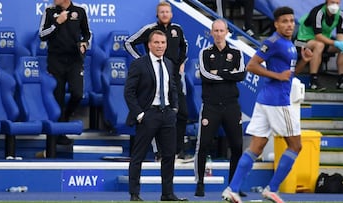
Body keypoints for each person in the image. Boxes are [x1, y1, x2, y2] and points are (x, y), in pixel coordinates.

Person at [222, 7, 313, 203]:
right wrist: (276, 76)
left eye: (291, 21)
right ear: (276, 24)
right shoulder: (273, 42)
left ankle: (232, 189)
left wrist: (304, 62)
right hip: (278, 101)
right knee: (296, 146)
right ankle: (271, 189)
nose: (289, 24)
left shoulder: (288, 44)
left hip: (266, 100)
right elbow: (252, 65)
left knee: (257, 146)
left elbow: (288, 75)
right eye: (285, 21)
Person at [124, 30, 187, 202]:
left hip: (167, 114)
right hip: (148, 114)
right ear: (149, 45)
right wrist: (140, 115)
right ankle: (134, 194)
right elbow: (129, 92)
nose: (160, 46)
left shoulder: (168, 63)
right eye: (157, 43)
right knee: (138, 155)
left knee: (169, 155)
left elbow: (172, 87)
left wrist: (174, 108)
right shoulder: (139, 64)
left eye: (163, 43)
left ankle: (167, 193)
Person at [125, 2, 189, 162]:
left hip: (172, 76)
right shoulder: (149, 30)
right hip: (152, 78)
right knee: (153, 115)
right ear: (157, 14)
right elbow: (128, 43)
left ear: (171, 14)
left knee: (182, 113)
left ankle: (177, 151)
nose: (165, 14)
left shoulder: (178, 30)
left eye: (167, 11)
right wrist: (143, 62)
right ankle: (159, 152)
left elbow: (185, 46)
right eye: (162, 12)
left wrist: (180, 62)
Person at [194, 19, 245, 197]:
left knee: (238, 146)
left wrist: (221, 73)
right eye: (215, 31)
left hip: (231, 105)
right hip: (211, 106)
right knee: (204, 145)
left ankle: (234, 186)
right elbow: (205, 75)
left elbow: (241, 75)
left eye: (221, 30)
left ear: (226, 32)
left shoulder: (237, 52)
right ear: (211, 33)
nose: (218, 34)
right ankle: (200, 183)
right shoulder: (205, 53)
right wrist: (228, 75)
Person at [39, 0, 90, 145]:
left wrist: (84, 44)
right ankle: (59, 133)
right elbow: (42, 34)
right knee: (58, 97)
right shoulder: (49, 11)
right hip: (56, 60)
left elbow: (87, 34)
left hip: (74, 60)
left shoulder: (79, 11)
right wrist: (57, 23)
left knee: (77, 94)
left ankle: (66, 119)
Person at [296, 0, 343, 91]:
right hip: (300, 41)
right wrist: (335, 43)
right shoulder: (318, 12)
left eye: (337, 3)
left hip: (323, 42)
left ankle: (342, 80)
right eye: (332, 2)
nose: (335, 5)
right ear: (327, 2)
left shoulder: (341, 14)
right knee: (319, 45)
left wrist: (342, 42)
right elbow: (318, 36)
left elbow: (340, 33)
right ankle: (313, 80)